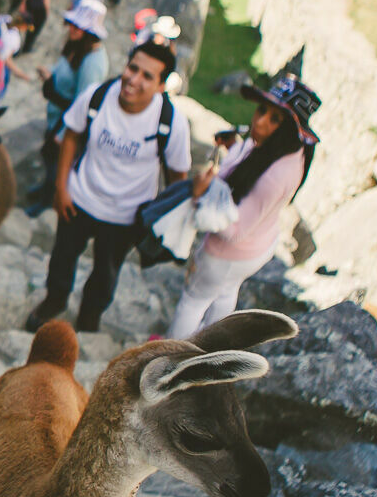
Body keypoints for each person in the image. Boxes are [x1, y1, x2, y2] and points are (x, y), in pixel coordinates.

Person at [26, 40, 192, 334]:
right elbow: (71, 136)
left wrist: (163, 219)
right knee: (62, 258)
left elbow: (178, 176)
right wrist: (61, 188)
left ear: (161, 86)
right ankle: (54, 302)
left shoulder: (171, 124)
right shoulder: (97, 97)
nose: (133, 80)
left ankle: (89, 318)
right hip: (79, 198)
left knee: (106, 274)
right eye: (132, 68)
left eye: (147, 76)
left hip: (126, 217)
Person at [165, 76, 319, 338]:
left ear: (288, 130)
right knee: (225, 293)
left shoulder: (273, 177)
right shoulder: (291, 154)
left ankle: (164, 360)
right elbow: (252, 171)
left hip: (225, 254)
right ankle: (207, 353)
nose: (259, 121)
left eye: (274, 119)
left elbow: (236, 230)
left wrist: (200, 196)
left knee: (192, 302)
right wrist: (236, 148)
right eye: (262, 110)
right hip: (256, 250)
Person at [27, 0, 110, 213]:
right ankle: (43, 189)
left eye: (77, 26)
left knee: (57, 165)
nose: (71, 28)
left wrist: (63, 134)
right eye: (72, 24)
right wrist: (50, 76)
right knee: (48, 159)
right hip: (57, 116)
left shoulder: (93, 63)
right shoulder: (77, 47)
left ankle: (46, 201)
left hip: (66, 125)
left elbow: (83, 103)